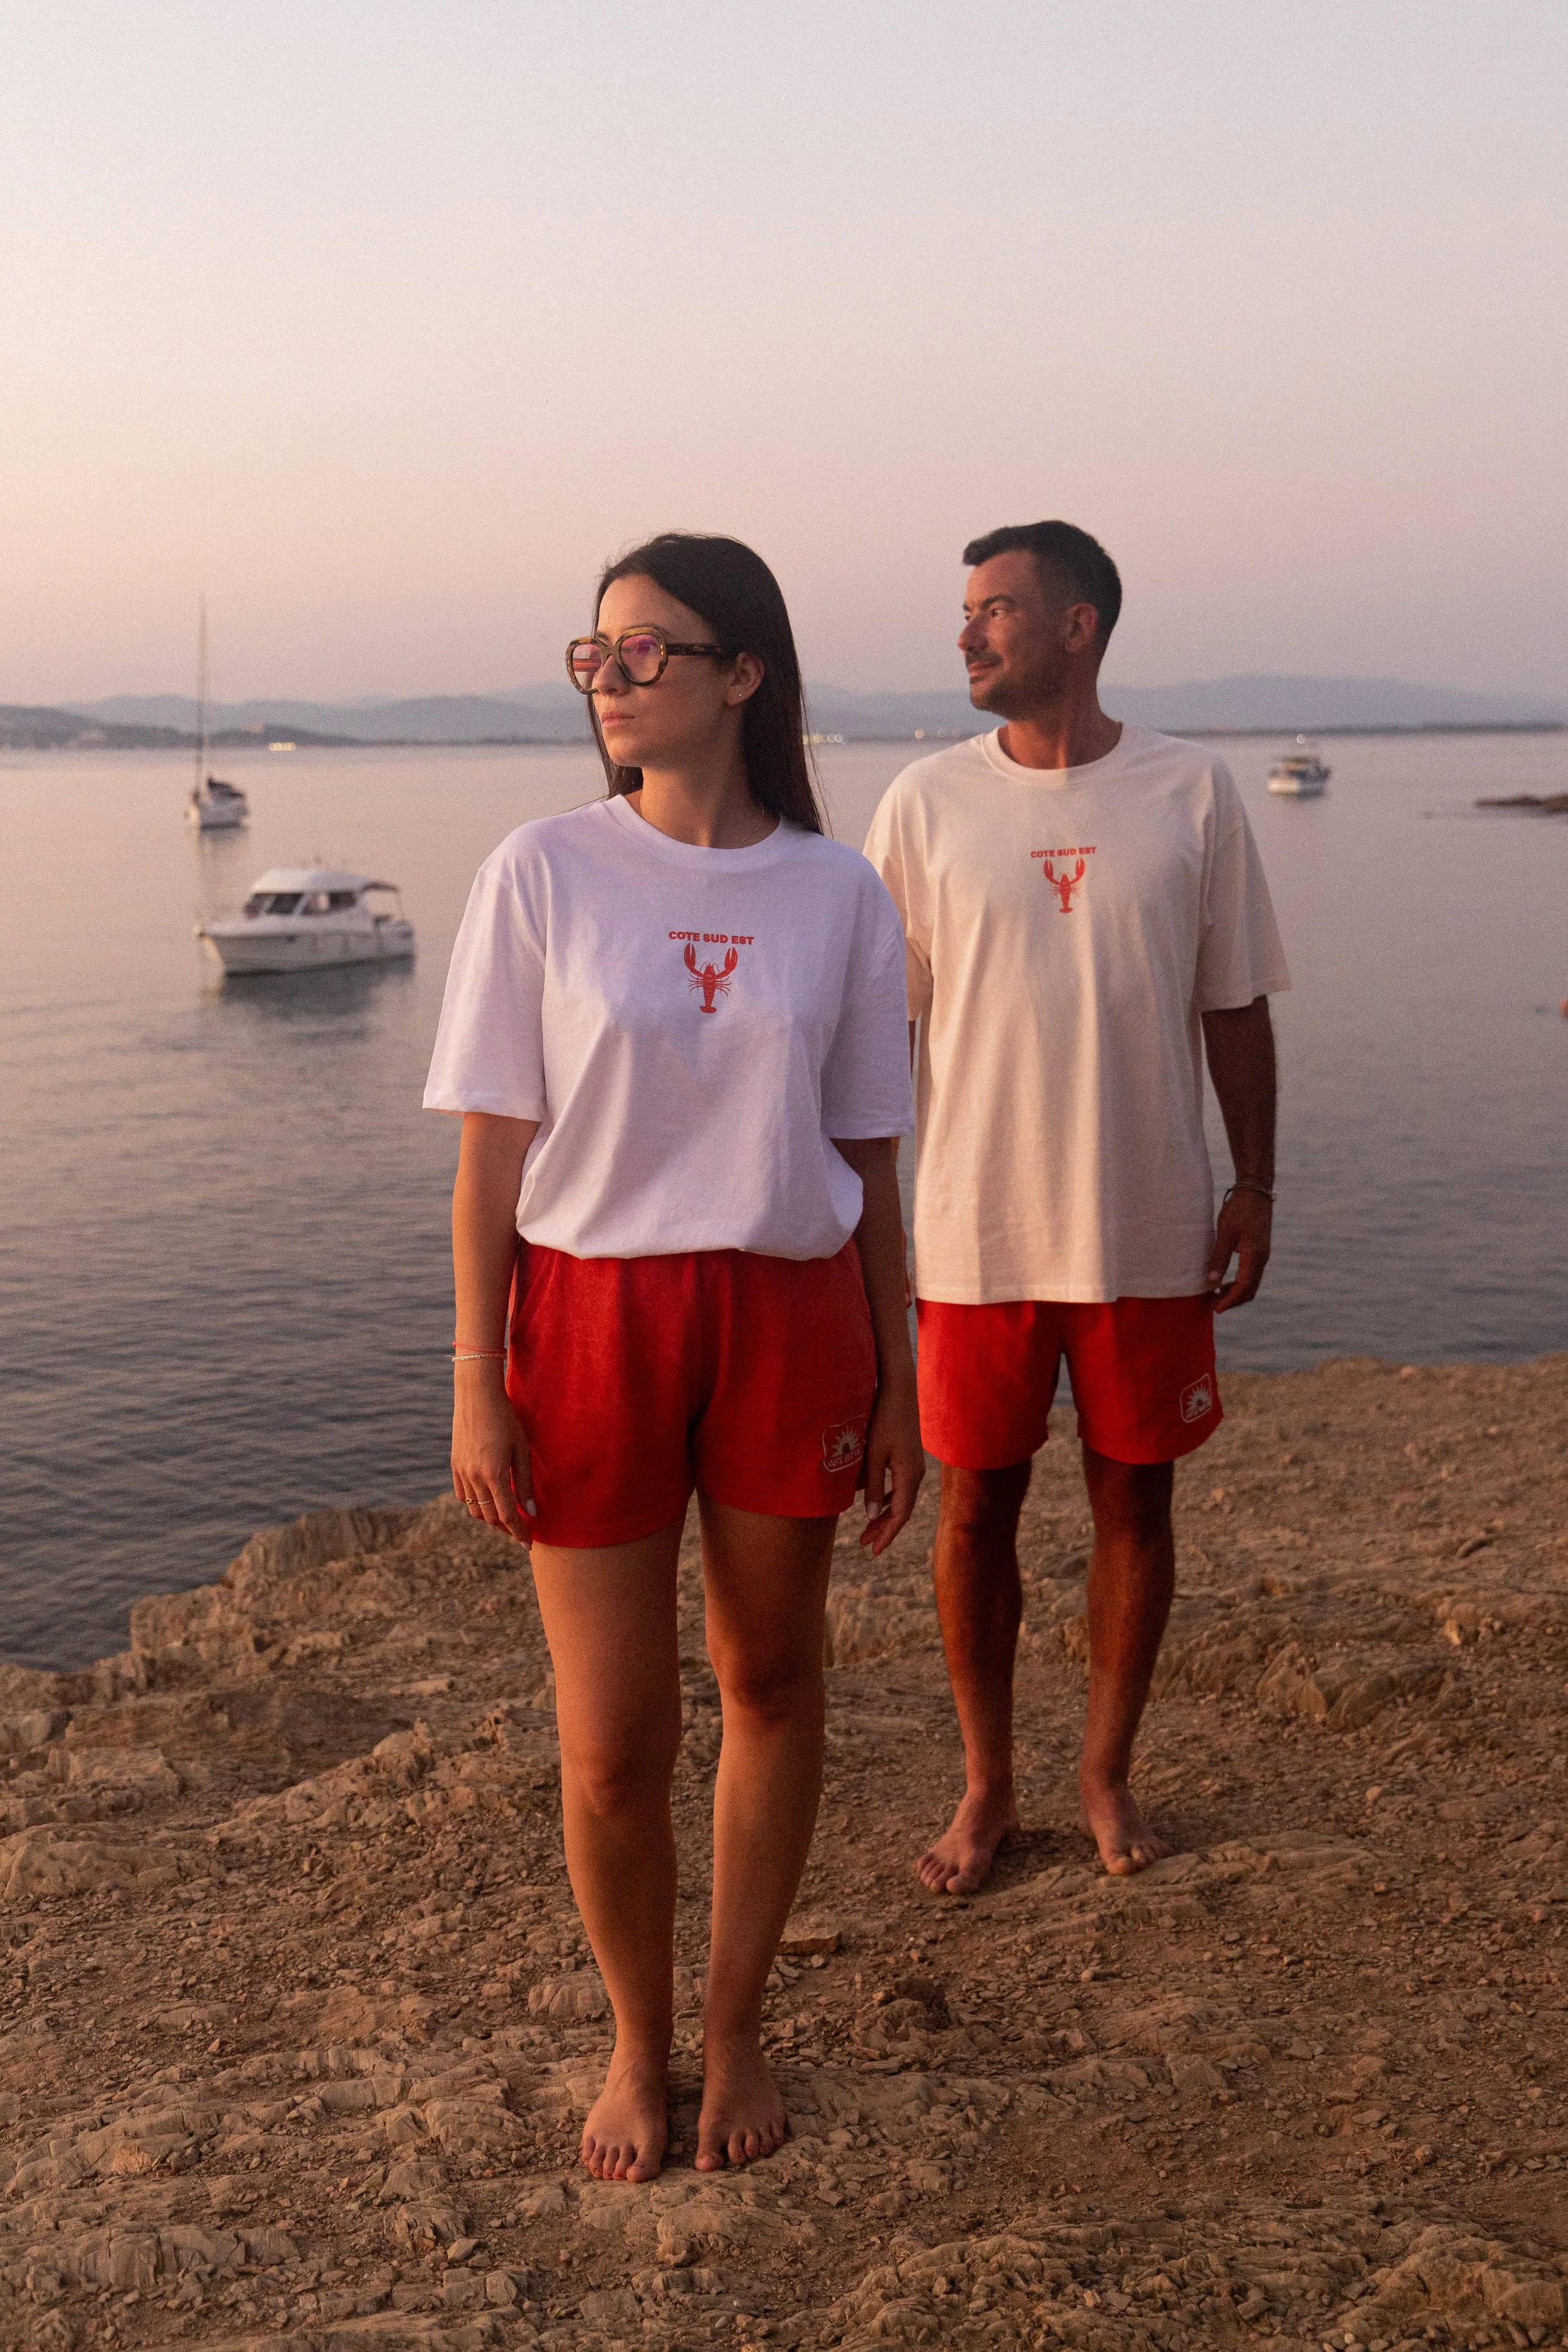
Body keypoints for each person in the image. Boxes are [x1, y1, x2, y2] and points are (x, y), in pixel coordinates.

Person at [424, 534, 921, 2182]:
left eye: (644, 651)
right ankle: (636, 2039)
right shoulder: (542, 872)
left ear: (742, 673)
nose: (609, 679)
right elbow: (490, 1157)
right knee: (611, 1740)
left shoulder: (837, 892)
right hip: (592, 1316)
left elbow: (868, 1159)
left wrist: (900, 1375)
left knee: (772, 1682)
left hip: (786, 1312)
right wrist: (476, 1376)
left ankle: (735, 2022)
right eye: (595, 653)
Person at [864, 520, 1289, 1892]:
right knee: (971, 1513)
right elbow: (873, 1036)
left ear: (1077, 625)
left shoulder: (1191, 791)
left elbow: (1234, 1004)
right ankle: (987, 1782)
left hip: (1144, 1222)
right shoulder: (924, 803)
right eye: (966, 612)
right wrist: (862, 1221)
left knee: (1134, 1507)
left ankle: (1105, 1771)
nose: (966, 634)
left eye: (994, 609)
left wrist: (1254, 1183)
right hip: (975, 1229)